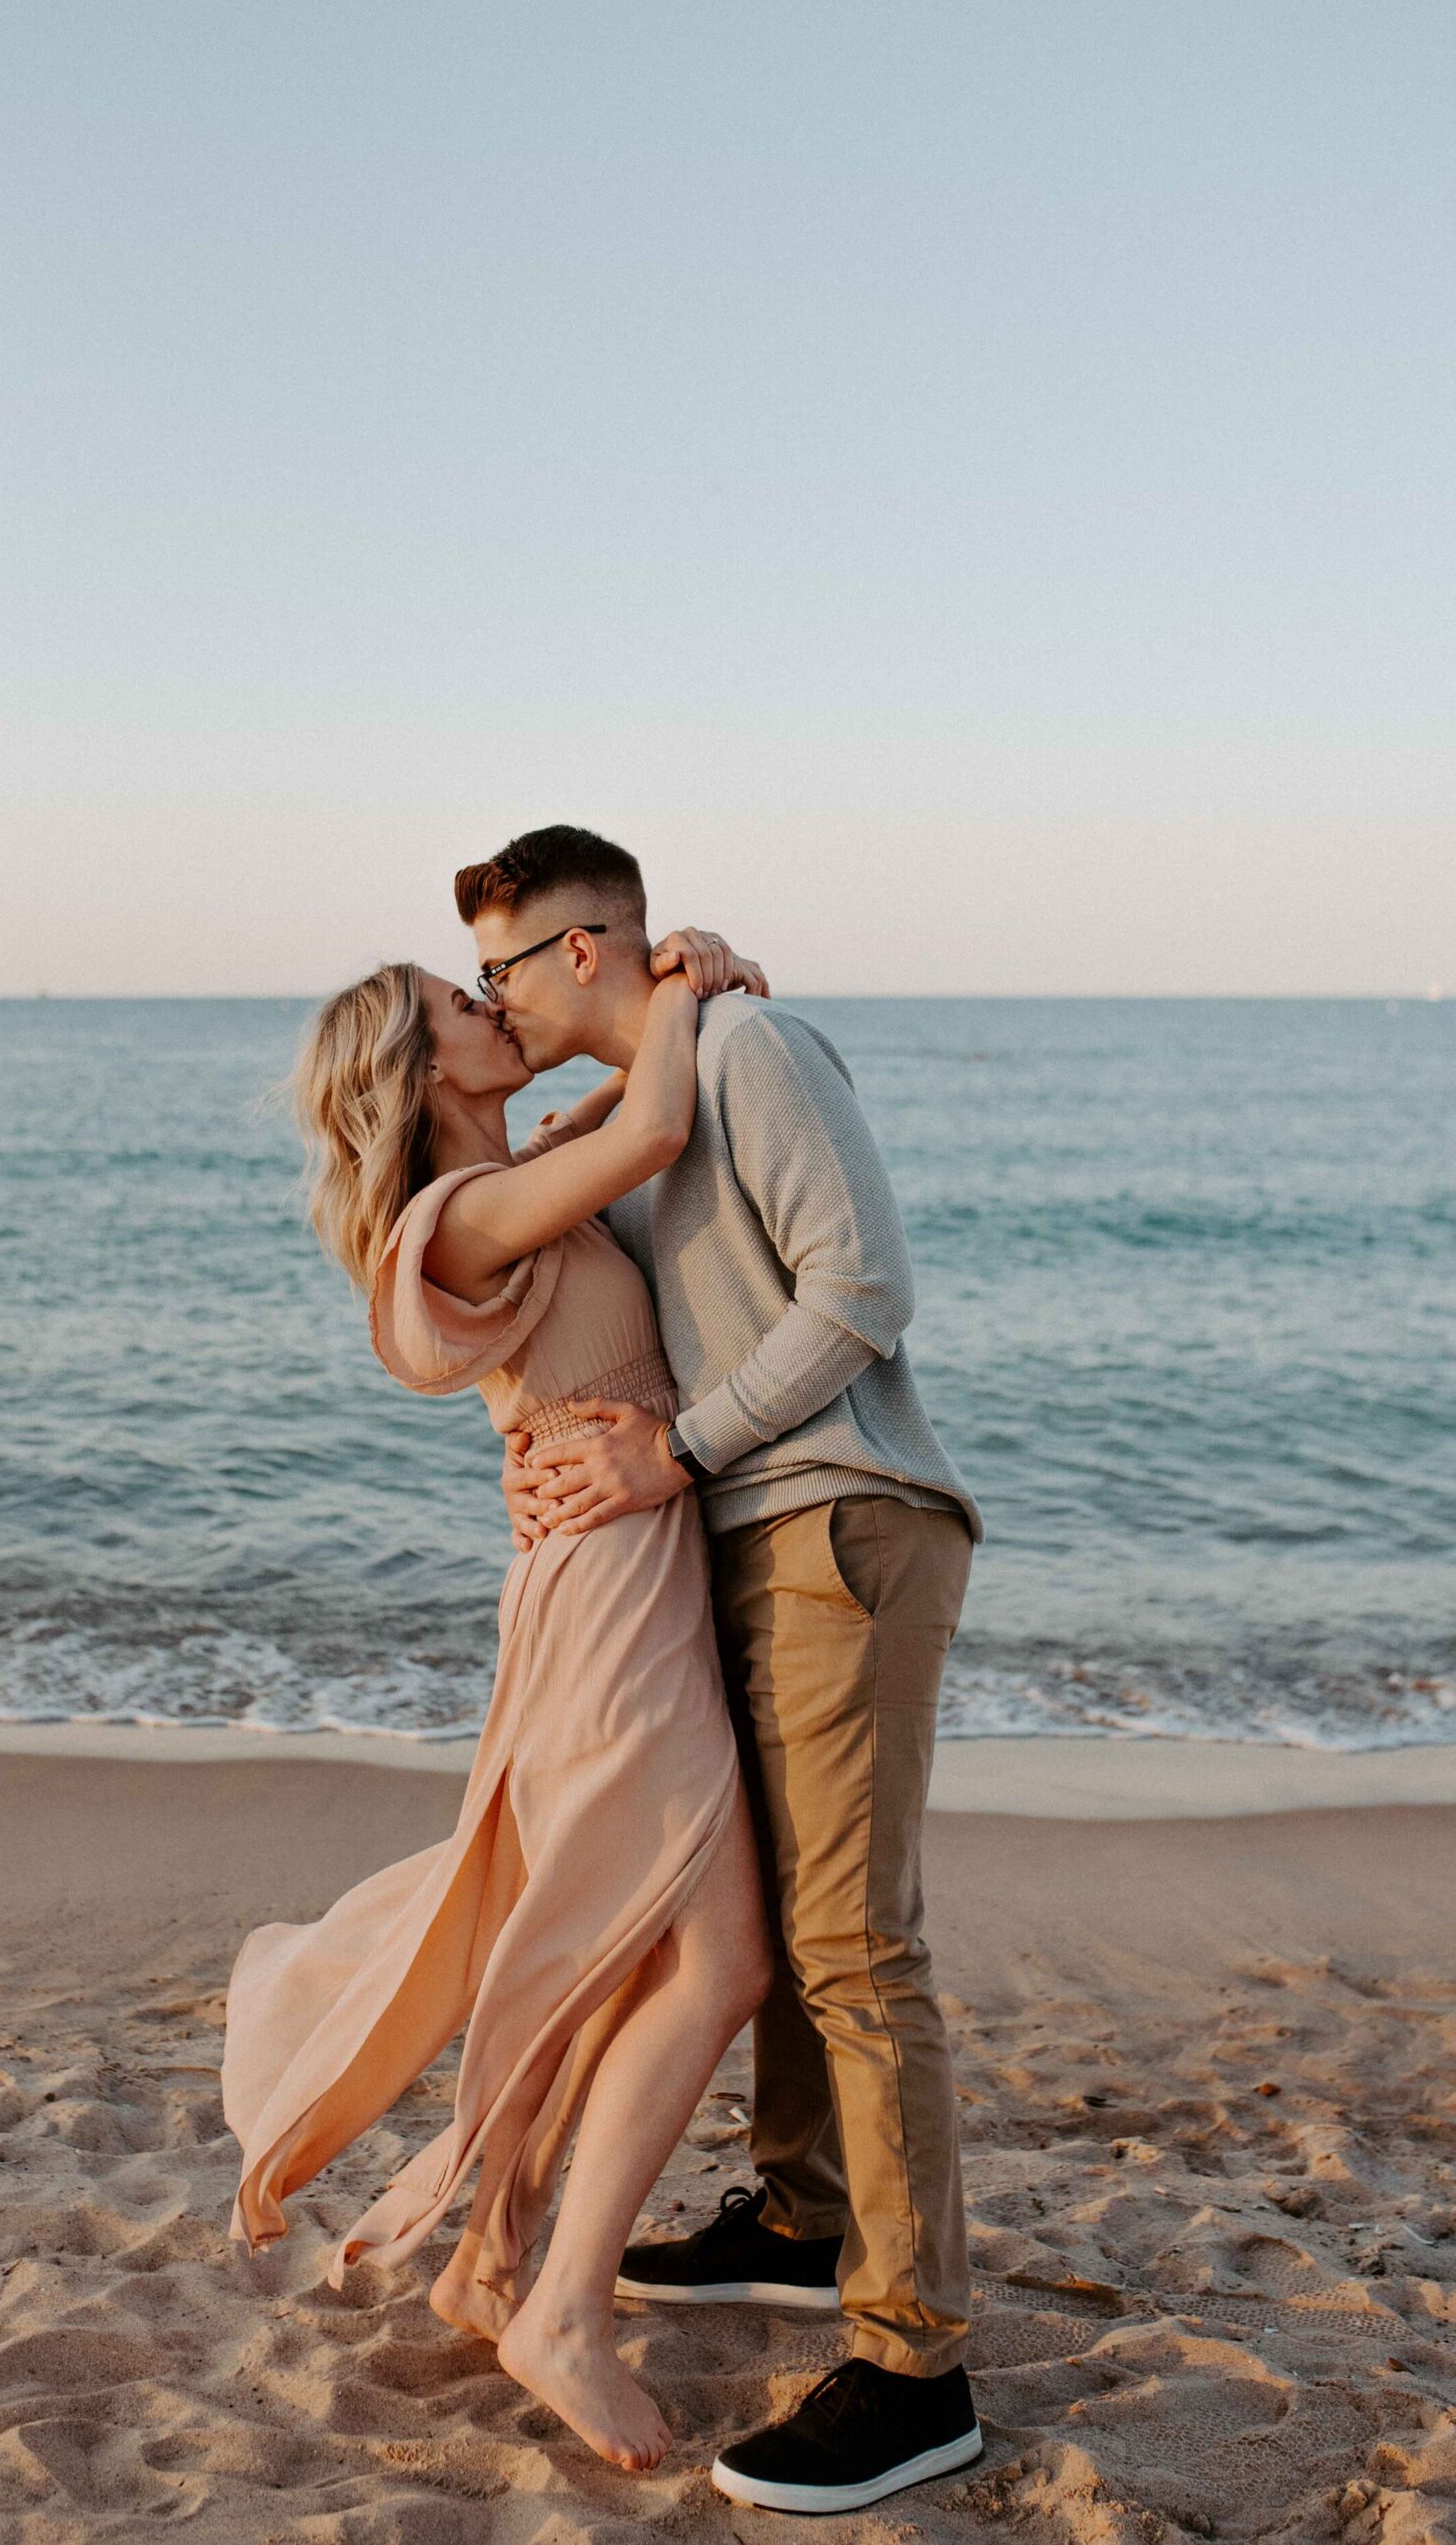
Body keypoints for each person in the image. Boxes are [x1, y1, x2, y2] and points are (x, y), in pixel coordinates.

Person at [470, 824, 988, 2516]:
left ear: (583, 948)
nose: (490, 996)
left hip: (840, 1527)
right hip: (743, 1544)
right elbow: (617, 1315)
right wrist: (564, 1442)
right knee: (767, 1912)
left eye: (503, 963)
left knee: (853, 1948)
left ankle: (918, 2368)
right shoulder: (650, 1109)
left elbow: (861, 1292)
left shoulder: (756, 1048)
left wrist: (671, 1453)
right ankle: (800, 2211)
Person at [219, 927, 775, 2475]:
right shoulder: (454, 1215)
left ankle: (491, 2260)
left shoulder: (515, 1169)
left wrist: (678, 977)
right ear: (417, 1072)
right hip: (608, 1601)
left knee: (614, 1954)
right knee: (718, 1961)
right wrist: (672, 992)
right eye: (466, 1002)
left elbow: (615, 1116)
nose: (497, 1004)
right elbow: (656, 1120)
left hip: (621, 1580)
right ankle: (564, 2317)